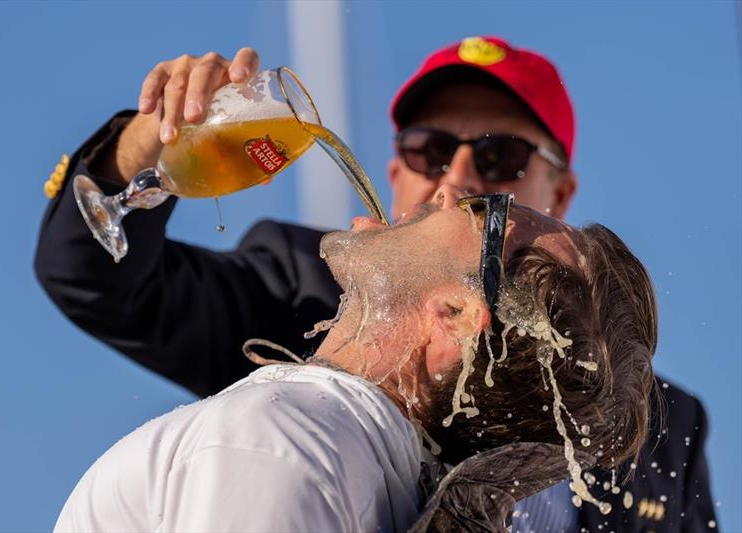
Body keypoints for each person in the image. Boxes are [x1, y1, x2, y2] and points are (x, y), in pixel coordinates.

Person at [35, 36, 716, 531]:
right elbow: (97, 281)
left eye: (498, 161)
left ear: (558, 195)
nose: (453, 178)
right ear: (394, 173)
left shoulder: (652, 419)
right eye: (428, 149)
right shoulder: (301, 300)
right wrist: (147, 145)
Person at [54, 191, 657, 532]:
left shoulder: (287, 444)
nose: (446, 192)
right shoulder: (371, 479)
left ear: (453, 311)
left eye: (481, 209)